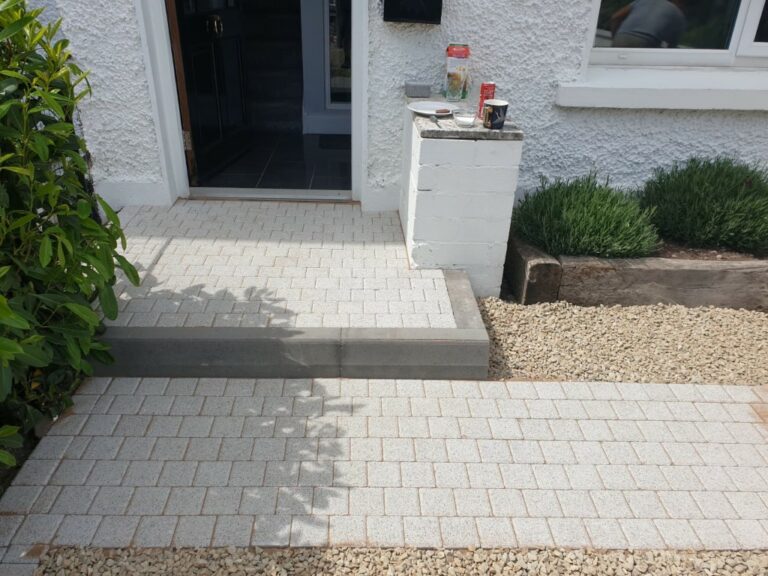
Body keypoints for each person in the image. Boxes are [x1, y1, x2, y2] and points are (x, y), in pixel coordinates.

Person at [610, 0, 687, 48]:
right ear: (681, 3)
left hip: (620, 37)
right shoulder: (678, 15)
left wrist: (615, 37)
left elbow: (615, 17)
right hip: (645, 42)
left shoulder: (643, 1)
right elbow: (671, 46)